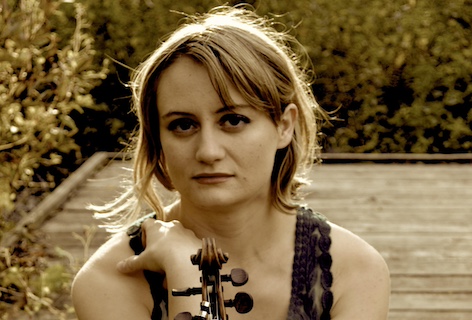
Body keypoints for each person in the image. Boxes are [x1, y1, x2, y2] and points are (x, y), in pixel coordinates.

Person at [71, 5, 390, 320]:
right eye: (183, 125)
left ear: (284, 126)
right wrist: (188, 278)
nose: (208, 152)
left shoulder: (355, 271)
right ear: (158, 140)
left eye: (233, 120)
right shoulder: (107, 282)